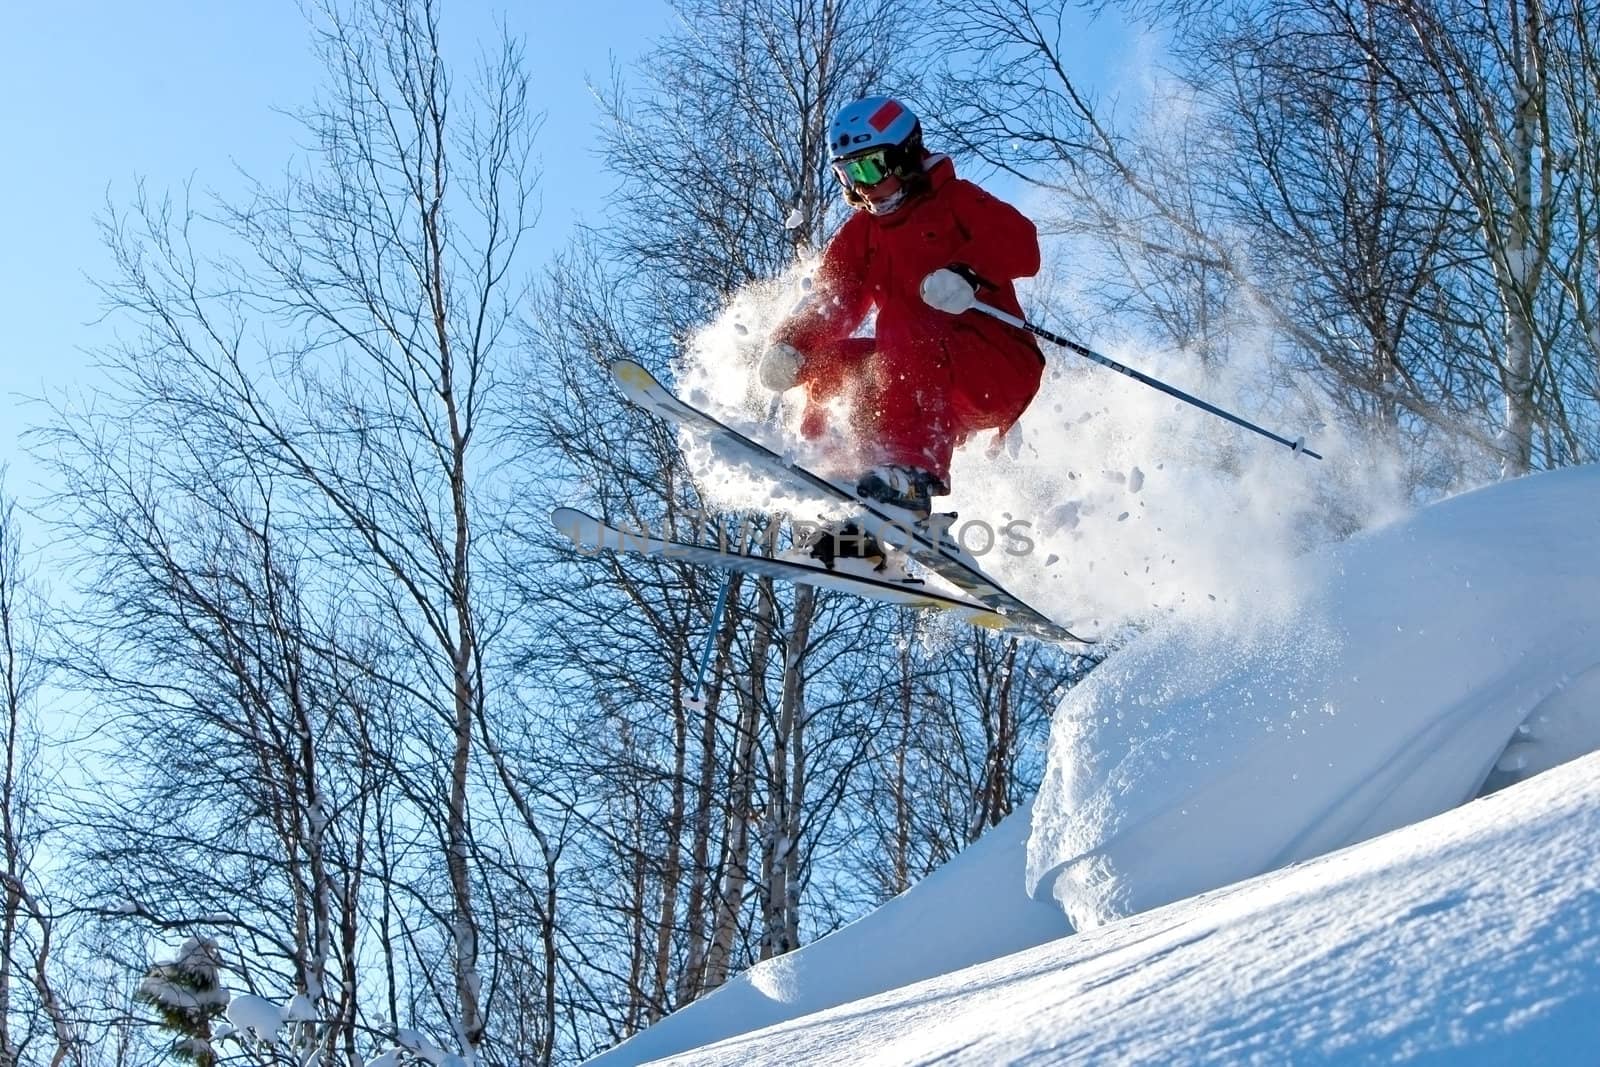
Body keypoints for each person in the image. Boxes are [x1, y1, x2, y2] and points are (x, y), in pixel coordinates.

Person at [759, 95, 1046, 521]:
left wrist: (967, 271)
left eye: (870, 168)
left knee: (906, 325)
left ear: (905, 156)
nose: (862, 186)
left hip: (996, 365)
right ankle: (838, 477)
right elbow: (833, 301)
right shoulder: (861, 234)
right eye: (847, 173)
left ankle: (910, 472)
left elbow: (1023, 245)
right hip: (921, 381)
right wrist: (792, 345)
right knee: (833, 363)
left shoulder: (955, 201)